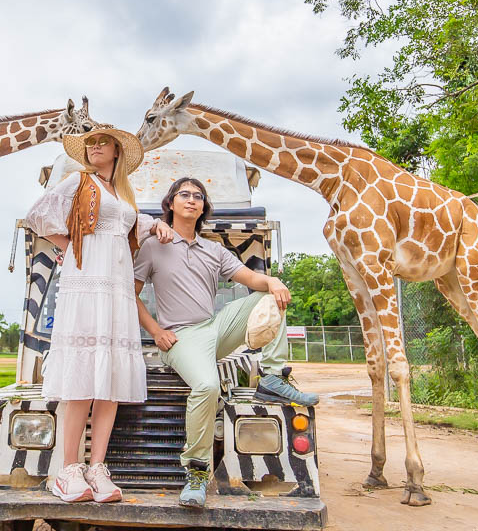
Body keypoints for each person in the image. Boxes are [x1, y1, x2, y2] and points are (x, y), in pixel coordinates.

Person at [134, 176, 319, 509]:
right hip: (182, 337)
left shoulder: (214, 250)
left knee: (269, 294)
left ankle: (273, 378)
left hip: (214, 328)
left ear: (204, 207)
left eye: (198, 196)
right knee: (207, 386)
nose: (192, 199)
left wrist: (274, 279)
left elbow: (250, 279)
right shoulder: (153, 246)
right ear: (171, 203)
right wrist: (156, 331)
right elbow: (130, 296)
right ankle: (196, 472)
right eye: (184, 194)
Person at [24, 125, 173, 504]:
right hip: (86, 281)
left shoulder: (122, 193)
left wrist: (158, 224)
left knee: (109, 379)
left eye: (100, 142)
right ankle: (68, 469)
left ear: (117, 150)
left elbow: (133, 226)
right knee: (82, 375)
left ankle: (97, 468)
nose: (93, 148)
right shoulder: (78, 181)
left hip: (117, 288)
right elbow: (37, 215)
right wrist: (72, 245)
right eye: (89, 143)